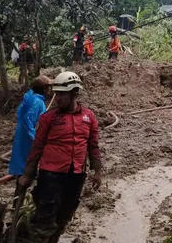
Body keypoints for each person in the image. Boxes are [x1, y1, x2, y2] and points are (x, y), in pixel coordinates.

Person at [18, 71, 103, 243]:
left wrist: (98, 171)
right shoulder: (48, 118)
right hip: (51, 176)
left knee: (64, 216)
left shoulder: (89, 117)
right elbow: (37, 147)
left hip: (76, 175)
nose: (58, 98)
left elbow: (93, 146)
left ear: (74, 94)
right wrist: (27, 174)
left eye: (63, 94)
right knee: (44, 220)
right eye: (57, 94)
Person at [9, 75, 52, 186]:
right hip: (29, 141)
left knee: (22, 170)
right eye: (48, 88)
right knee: (26, 172)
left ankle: (18, 199)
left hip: (23, 139)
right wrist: (37, 139)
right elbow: (31, 122)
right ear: (44, 89)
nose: (50, 90)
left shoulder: (29, 98)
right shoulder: (37, 103)